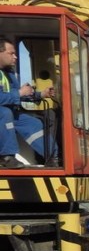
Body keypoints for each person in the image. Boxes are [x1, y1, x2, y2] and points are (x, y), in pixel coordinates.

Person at [0, 39, 57, 168]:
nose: (15, 56)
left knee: (32, 123)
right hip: (3, 114)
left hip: (6, 115)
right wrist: (19, 93)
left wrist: (40, 95)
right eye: (11, 53)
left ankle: (52, 157)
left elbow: (15, 94)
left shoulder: (8, 73)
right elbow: (15, 95)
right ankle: (7, 157)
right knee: (6, 113)